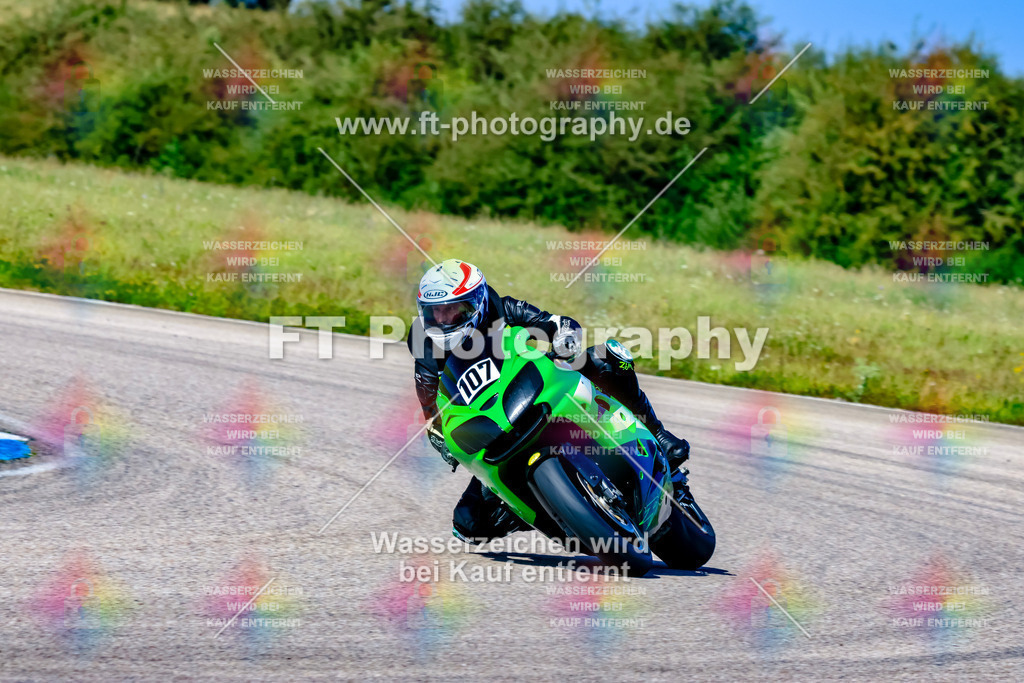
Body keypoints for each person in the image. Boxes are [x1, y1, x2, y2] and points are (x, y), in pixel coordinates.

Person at [406, 258, 689, 542]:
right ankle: (547, 507)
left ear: (476, 303)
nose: (442, 320)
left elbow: (551, 322)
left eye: (452, 310)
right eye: (434, 312)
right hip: (493, 428)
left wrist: (563, 334)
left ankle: (657, 434)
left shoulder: (498, 308)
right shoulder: (425, 347)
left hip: (535, 390)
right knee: (468, 524)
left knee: (604, 359)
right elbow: (433, 412)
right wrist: (441, 439)